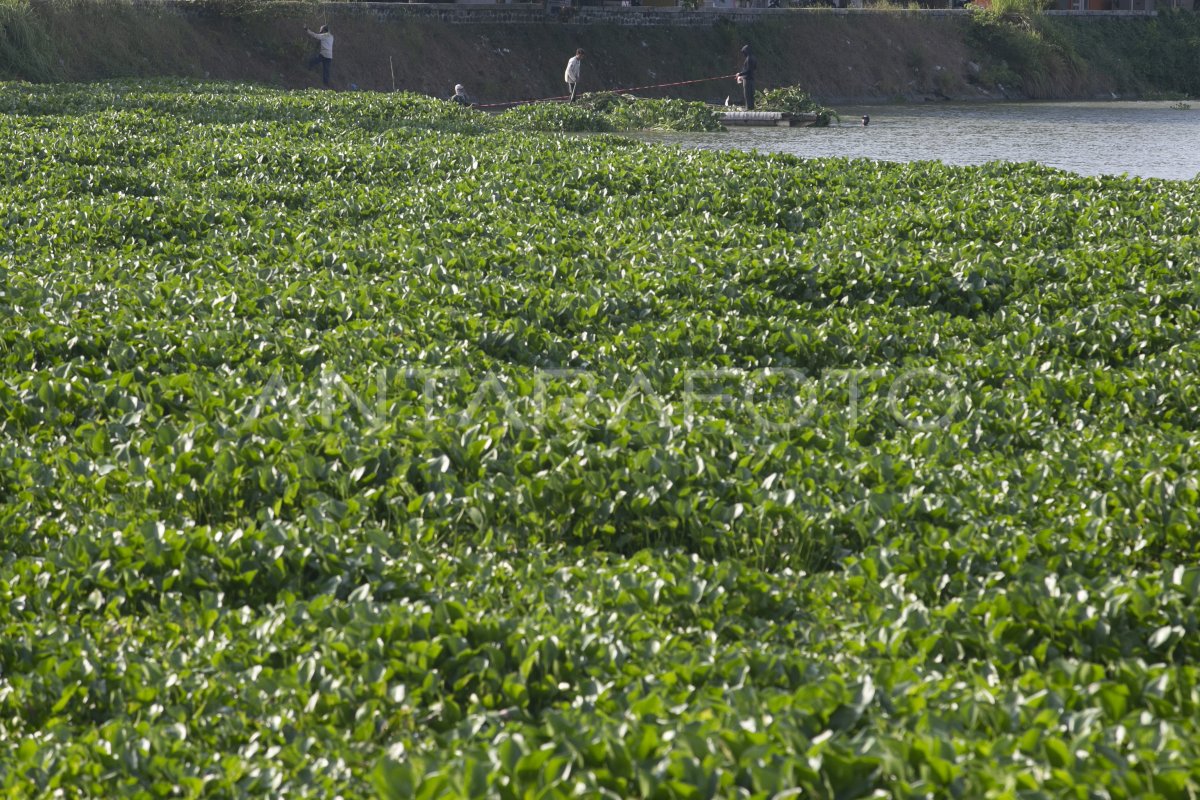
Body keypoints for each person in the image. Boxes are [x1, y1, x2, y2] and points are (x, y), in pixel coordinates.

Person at [305, 24, 334, 89]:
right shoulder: (331, 36)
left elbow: (315, 35)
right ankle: (326, 85)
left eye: (321, 30)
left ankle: (308, 69)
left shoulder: (324, 36)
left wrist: (307, 30)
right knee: (326, 71)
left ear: (323, 30)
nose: (320, 31)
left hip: (324, 54)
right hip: (329, 56)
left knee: (313, 61)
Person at [736, 44, 757, 111]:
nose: (743, 53)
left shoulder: (748, 59)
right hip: (752, 79)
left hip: (747, 80)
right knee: (752, 95)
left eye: (744, 52)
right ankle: (752, 108)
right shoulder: (754, 58)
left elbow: (748, 70)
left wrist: (740, 74)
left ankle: (748, 108)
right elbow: (754, 68)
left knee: (747, 94)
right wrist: (742, 76)